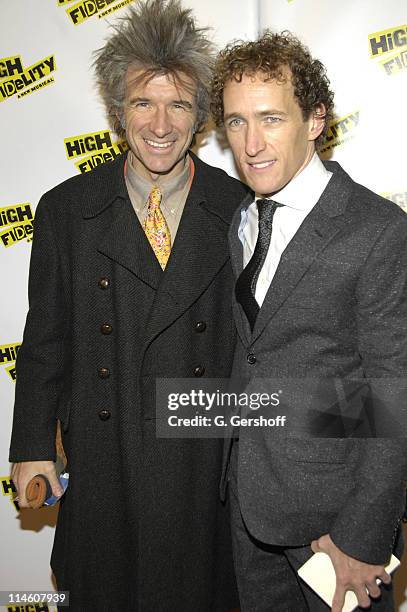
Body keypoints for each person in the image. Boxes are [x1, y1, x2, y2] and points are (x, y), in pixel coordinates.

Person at [9, 1, 249, 609]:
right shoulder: (65, 209)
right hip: (103, 455)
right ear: (118, 112)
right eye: (144, 102)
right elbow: (45, 342)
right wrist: (33, 446)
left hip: (201, 463)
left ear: (201, 118)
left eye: (179, 105)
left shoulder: (241, 208)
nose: (161, 124)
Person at [211, 31, 407, 612]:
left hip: (335, 531)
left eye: (271, 118)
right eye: (236, 122)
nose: (251, 142)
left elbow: (392, 391)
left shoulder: (377, 230)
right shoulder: (243, 221)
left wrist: (364, 534)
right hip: (250, 508)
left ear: (315, 119)